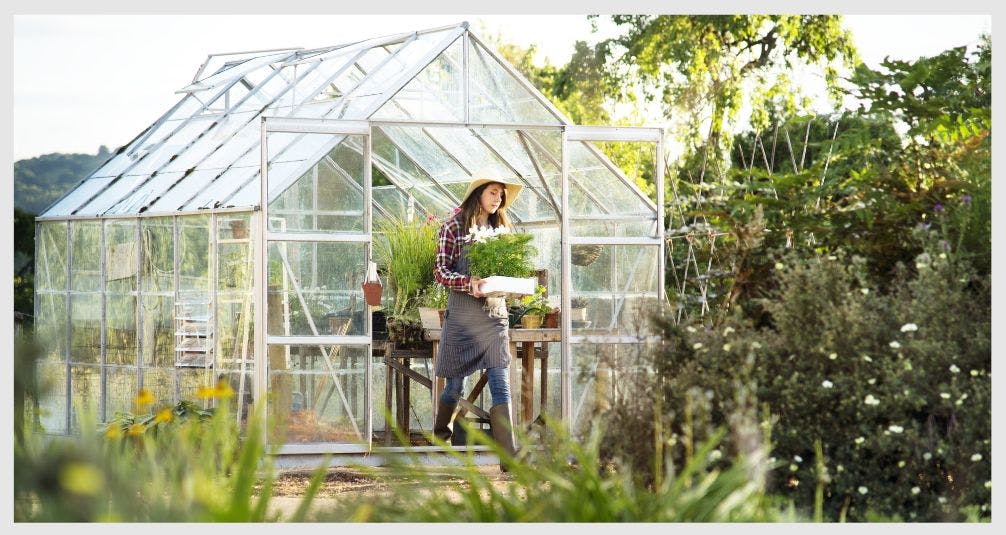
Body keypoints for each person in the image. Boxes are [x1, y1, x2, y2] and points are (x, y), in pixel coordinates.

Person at [432, 172, 522, 471]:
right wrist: (466, 281)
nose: (499, 199)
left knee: (500, 382)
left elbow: (510, 272)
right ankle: (440, 434)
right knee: (454, 387)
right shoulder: (453, 227)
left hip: (494, 318)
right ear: (479, 193)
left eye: (502, 195)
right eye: (494, 192)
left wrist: (515, 288)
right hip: (462, 319)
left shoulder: (503, 230)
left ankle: (510, 458)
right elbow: (441, 271)